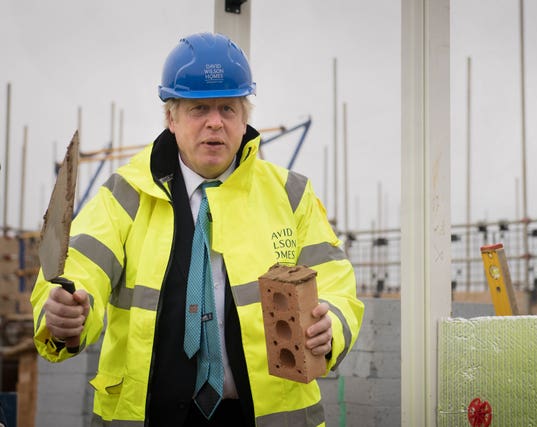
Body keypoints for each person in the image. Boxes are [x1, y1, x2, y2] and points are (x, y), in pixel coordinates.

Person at [31, 32, 364, 426]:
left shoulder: (291, 195)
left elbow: (336, 285)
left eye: (228, 108)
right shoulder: (124, 195)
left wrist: (333, 326)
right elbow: (79, 269)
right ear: (171, 118)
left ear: (245, 120)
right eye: (199, 108)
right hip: (152, 416)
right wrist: (65, 314)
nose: (215, 123)